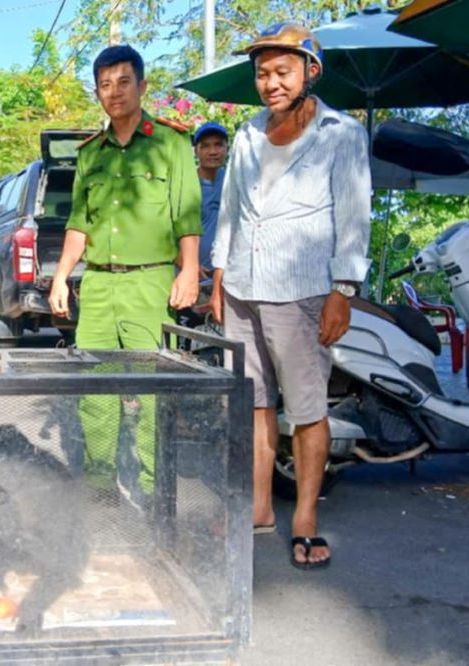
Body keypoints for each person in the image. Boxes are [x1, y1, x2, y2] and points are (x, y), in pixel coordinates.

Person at [208, 23, 371, 570]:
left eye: (282, 72)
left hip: (302, 290)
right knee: (254, 401)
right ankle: (258, 507)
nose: (271, 83)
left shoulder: (341, 133)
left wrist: (343, 290)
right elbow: (230, 212)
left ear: (310, 72)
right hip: (242, 286)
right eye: (262, 74)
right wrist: (218, 277)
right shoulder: (247, 134)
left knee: (305, 408)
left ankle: (304, 518)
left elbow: (354, 217)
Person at [49, 44, 201, 509]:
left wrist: (188, 271)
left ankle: (155, 491)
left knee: (153, 391)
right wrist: (61, 276)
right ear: (97, 92)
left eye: (123, 82)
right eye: (105, 85)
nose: (114, 92)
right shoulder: (90, 153)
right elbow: (79, 222)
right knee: (95, 389)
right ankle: (100, 486)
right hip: (98, 284)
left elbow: (187, 214)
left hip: (150, 282)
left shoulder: (171, 143)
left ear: (142, 85)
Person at [192, 121, 228, 275]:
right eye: (205, 146)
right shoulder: (187, 183)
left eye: (218, 145)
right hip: (191, 273)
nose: (212, 152)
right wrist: (187, 263)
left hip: (226, 274)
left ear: (227, 148)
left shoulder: (232, 181)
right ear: (196, 151)